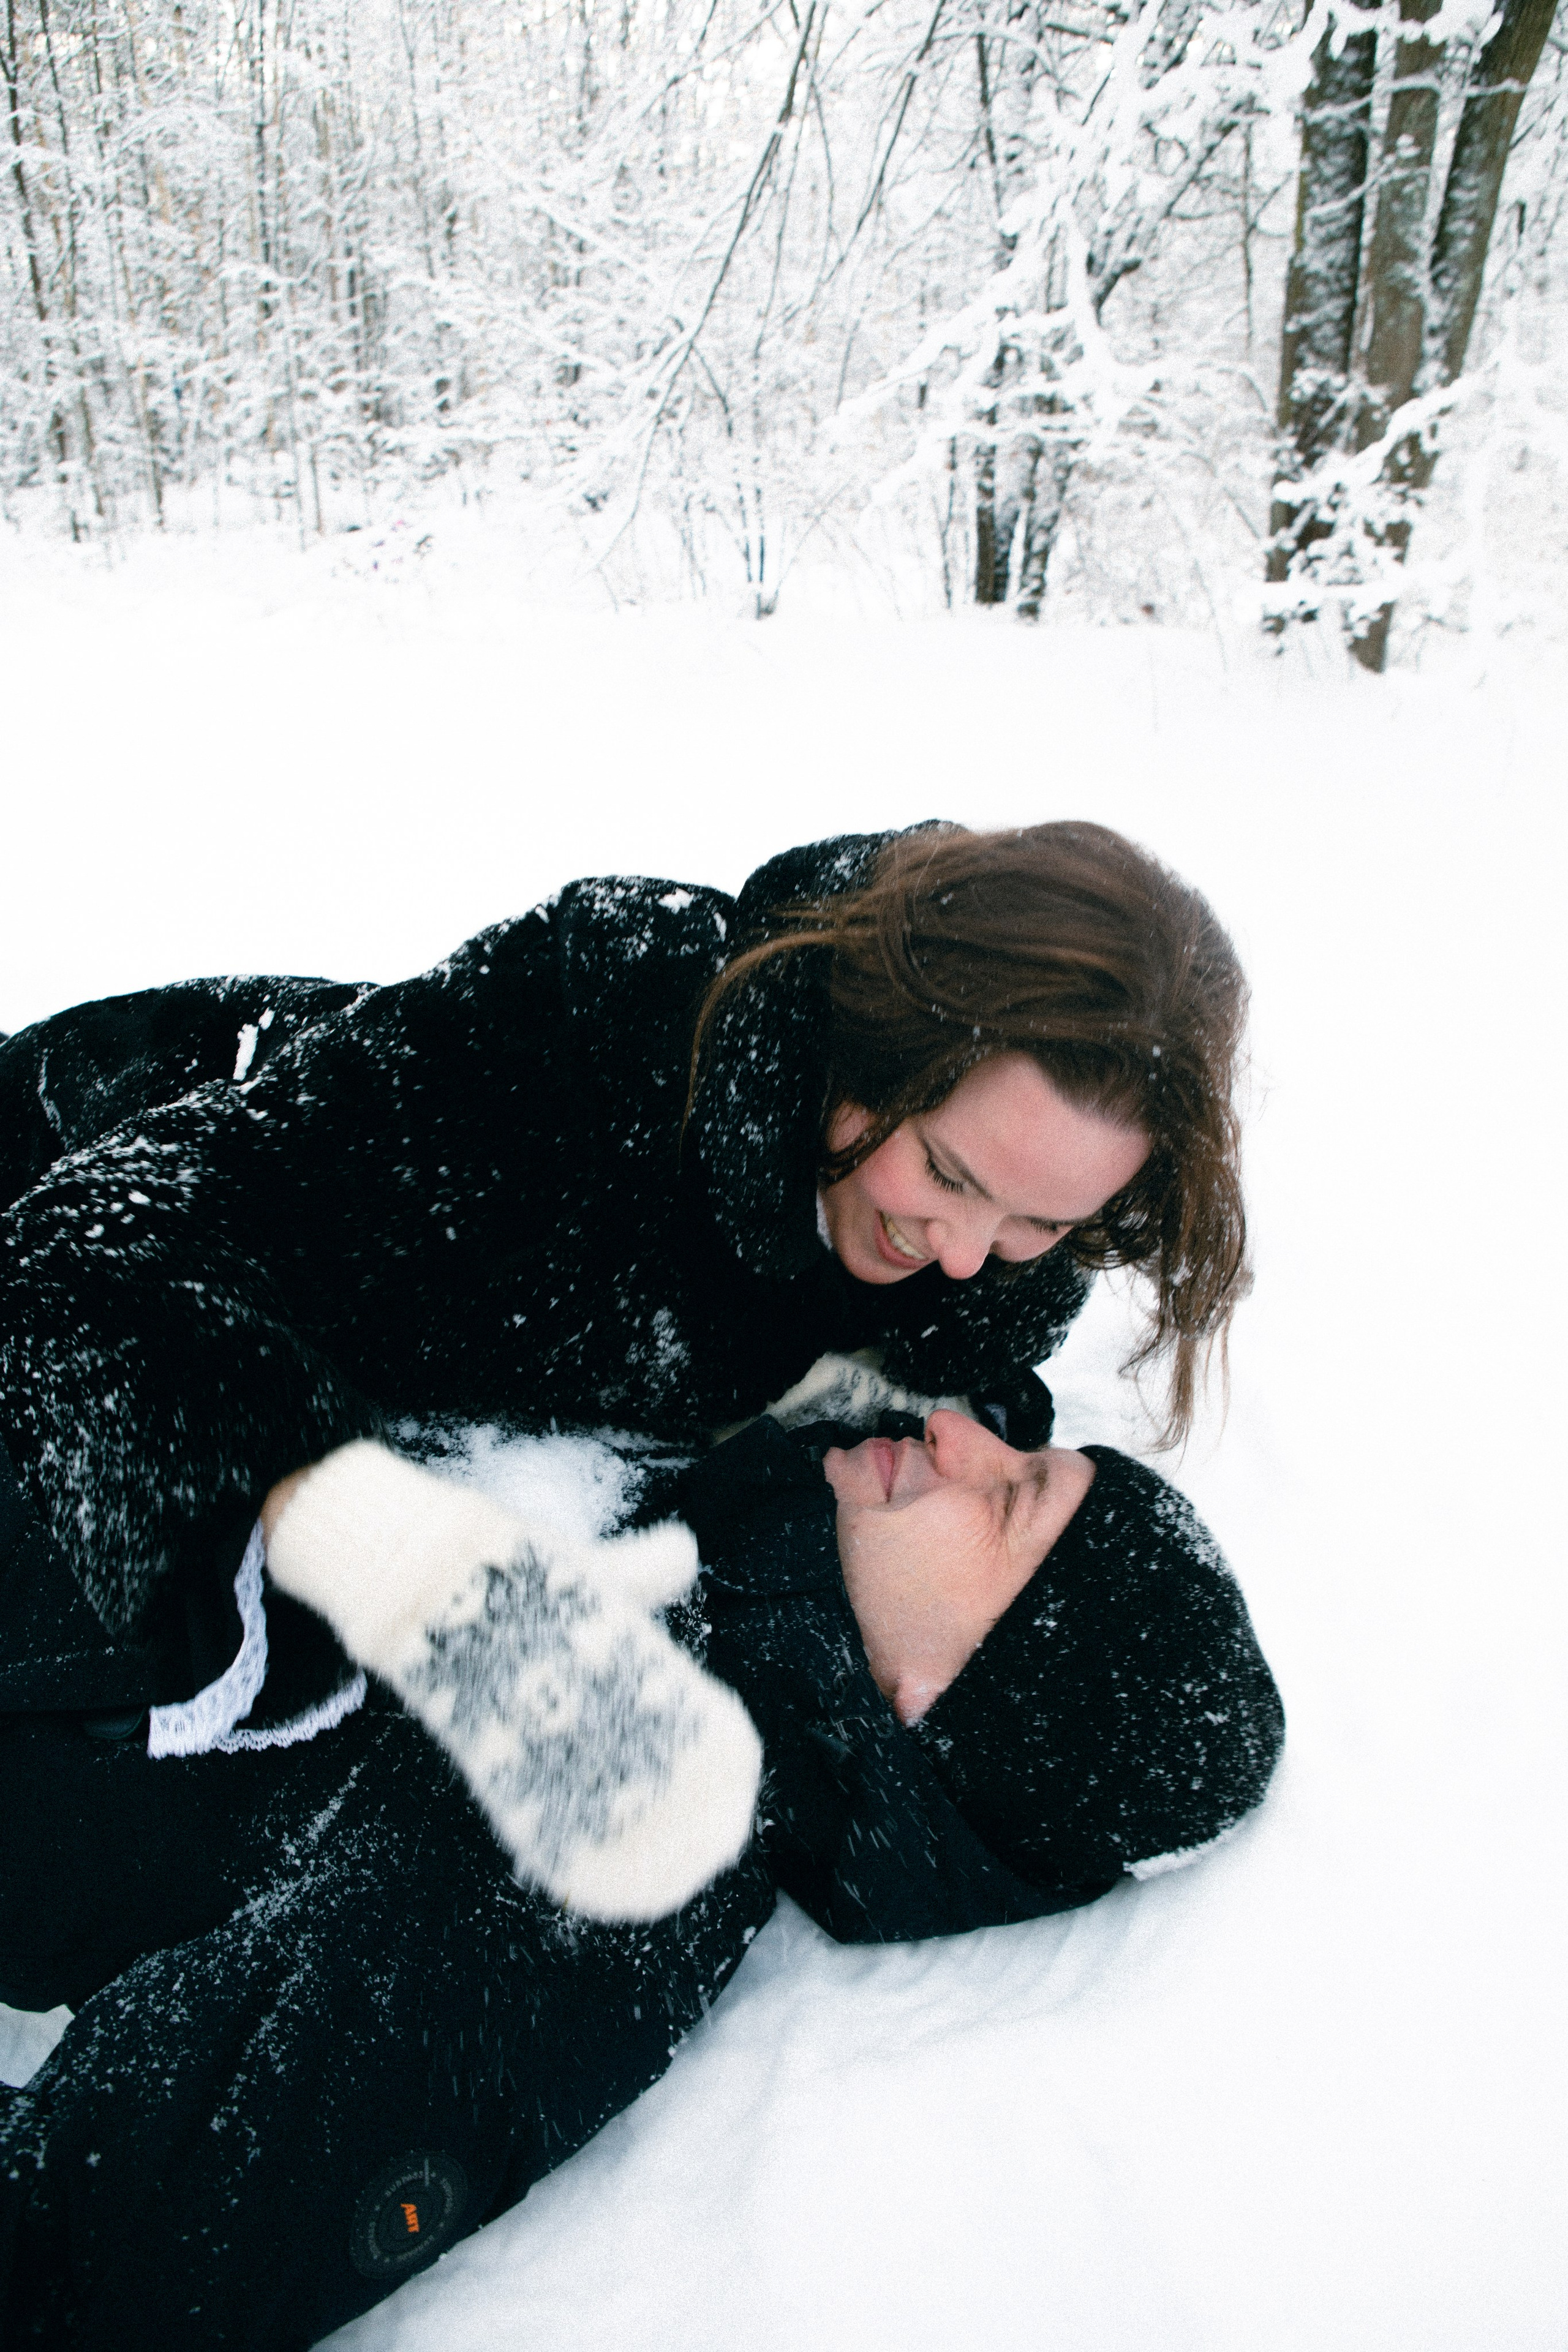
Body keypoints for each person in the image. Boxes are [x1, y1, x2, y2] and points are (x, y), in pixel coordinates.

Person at [0, 822, 1250, 1836]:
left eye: (1041, 1220)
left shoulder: (997, 1273)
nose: (971, 1260)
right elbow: (97, 1243)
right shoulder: (580, 1041)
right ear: (872, 1049)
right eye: (947, 1173)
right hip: (129, 1149)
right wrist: (331, 1554)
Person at [0, 1399, 1283, 2349]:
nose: (961, 1433)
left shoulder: (609, 1856)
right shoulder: (798, 1465)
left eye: (1006, 1499)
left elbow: (117, 2252)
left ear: (947, 1706)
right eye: (1026, 1458)